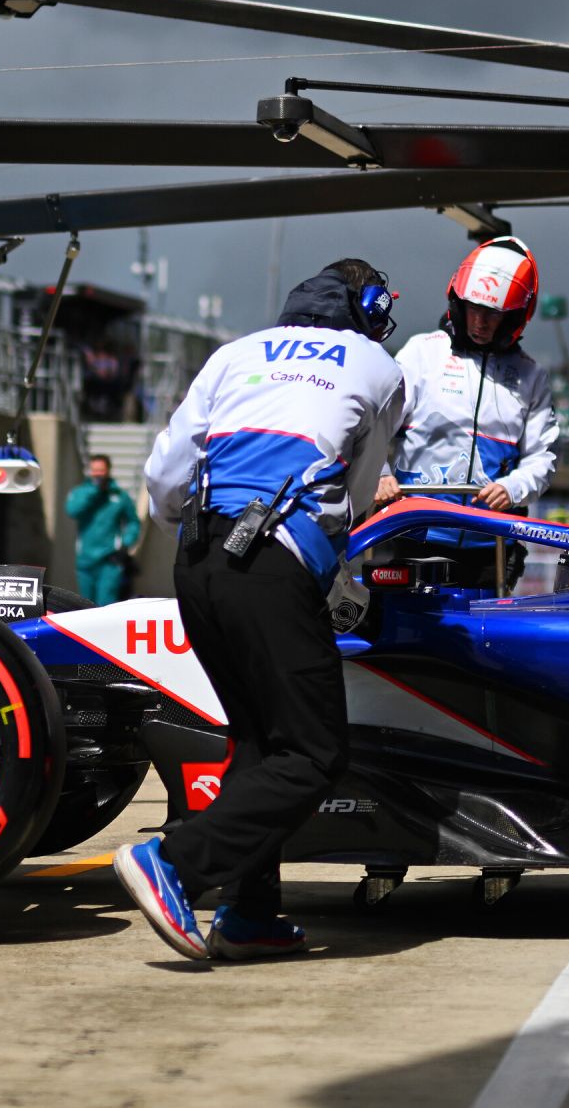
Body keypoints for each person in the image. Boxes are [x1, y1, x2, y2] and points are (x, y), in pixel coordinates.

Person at [114, 260, 406, 967]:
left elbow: (162, 478)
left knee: (258, 739)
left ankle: (250, 914)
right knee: (312, 752)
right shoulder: (378, 364)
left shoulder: (234, 352)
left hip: (199, 557)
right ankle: (176, 863)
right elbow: (360, 495)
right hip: (272, 560)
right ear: (370, 309)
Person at [374, 236, 559, 515]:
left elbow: (542, 456)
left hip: (494, 540)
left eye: (493, 314)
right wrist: (380, 476)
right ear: (459, 304)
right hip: (415, 530)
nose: (479, 323)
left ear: (514, 317)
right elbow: (374, 426)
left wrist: (513, 488)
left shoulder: (531, 375)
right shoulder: (421, 352)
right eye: (473, 308)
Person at [65, 454, 143, 606]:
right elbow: (72, 510)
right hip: (85, 560)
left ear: (108, 471)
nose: (98, 474)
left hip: (110, 560)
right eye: (94, 470)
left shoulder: (119, 496)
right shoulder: (80, 492)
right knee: (84, 606)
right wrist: (94, 491)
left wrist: (125, 544)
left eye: (101, 470)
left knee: (105, 605)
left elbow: (133, 522)